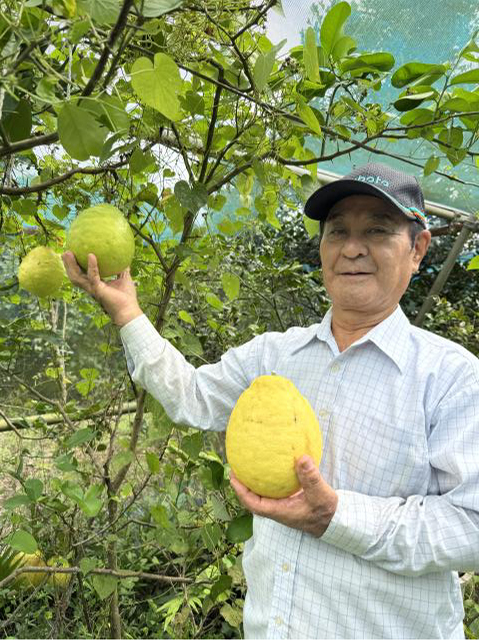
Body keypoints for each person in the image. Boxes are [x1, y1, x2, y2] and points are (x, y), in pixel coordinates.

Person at [62, 162, 479, 639]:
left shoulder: (452, 377)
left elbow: (472, 525)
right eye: (336, 231)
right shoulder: (274, 355)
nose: (352, 248)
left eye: (377, 231)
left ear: (417, 249)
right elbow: (191, 398)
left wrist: (336, 517)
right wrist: (128, 313)